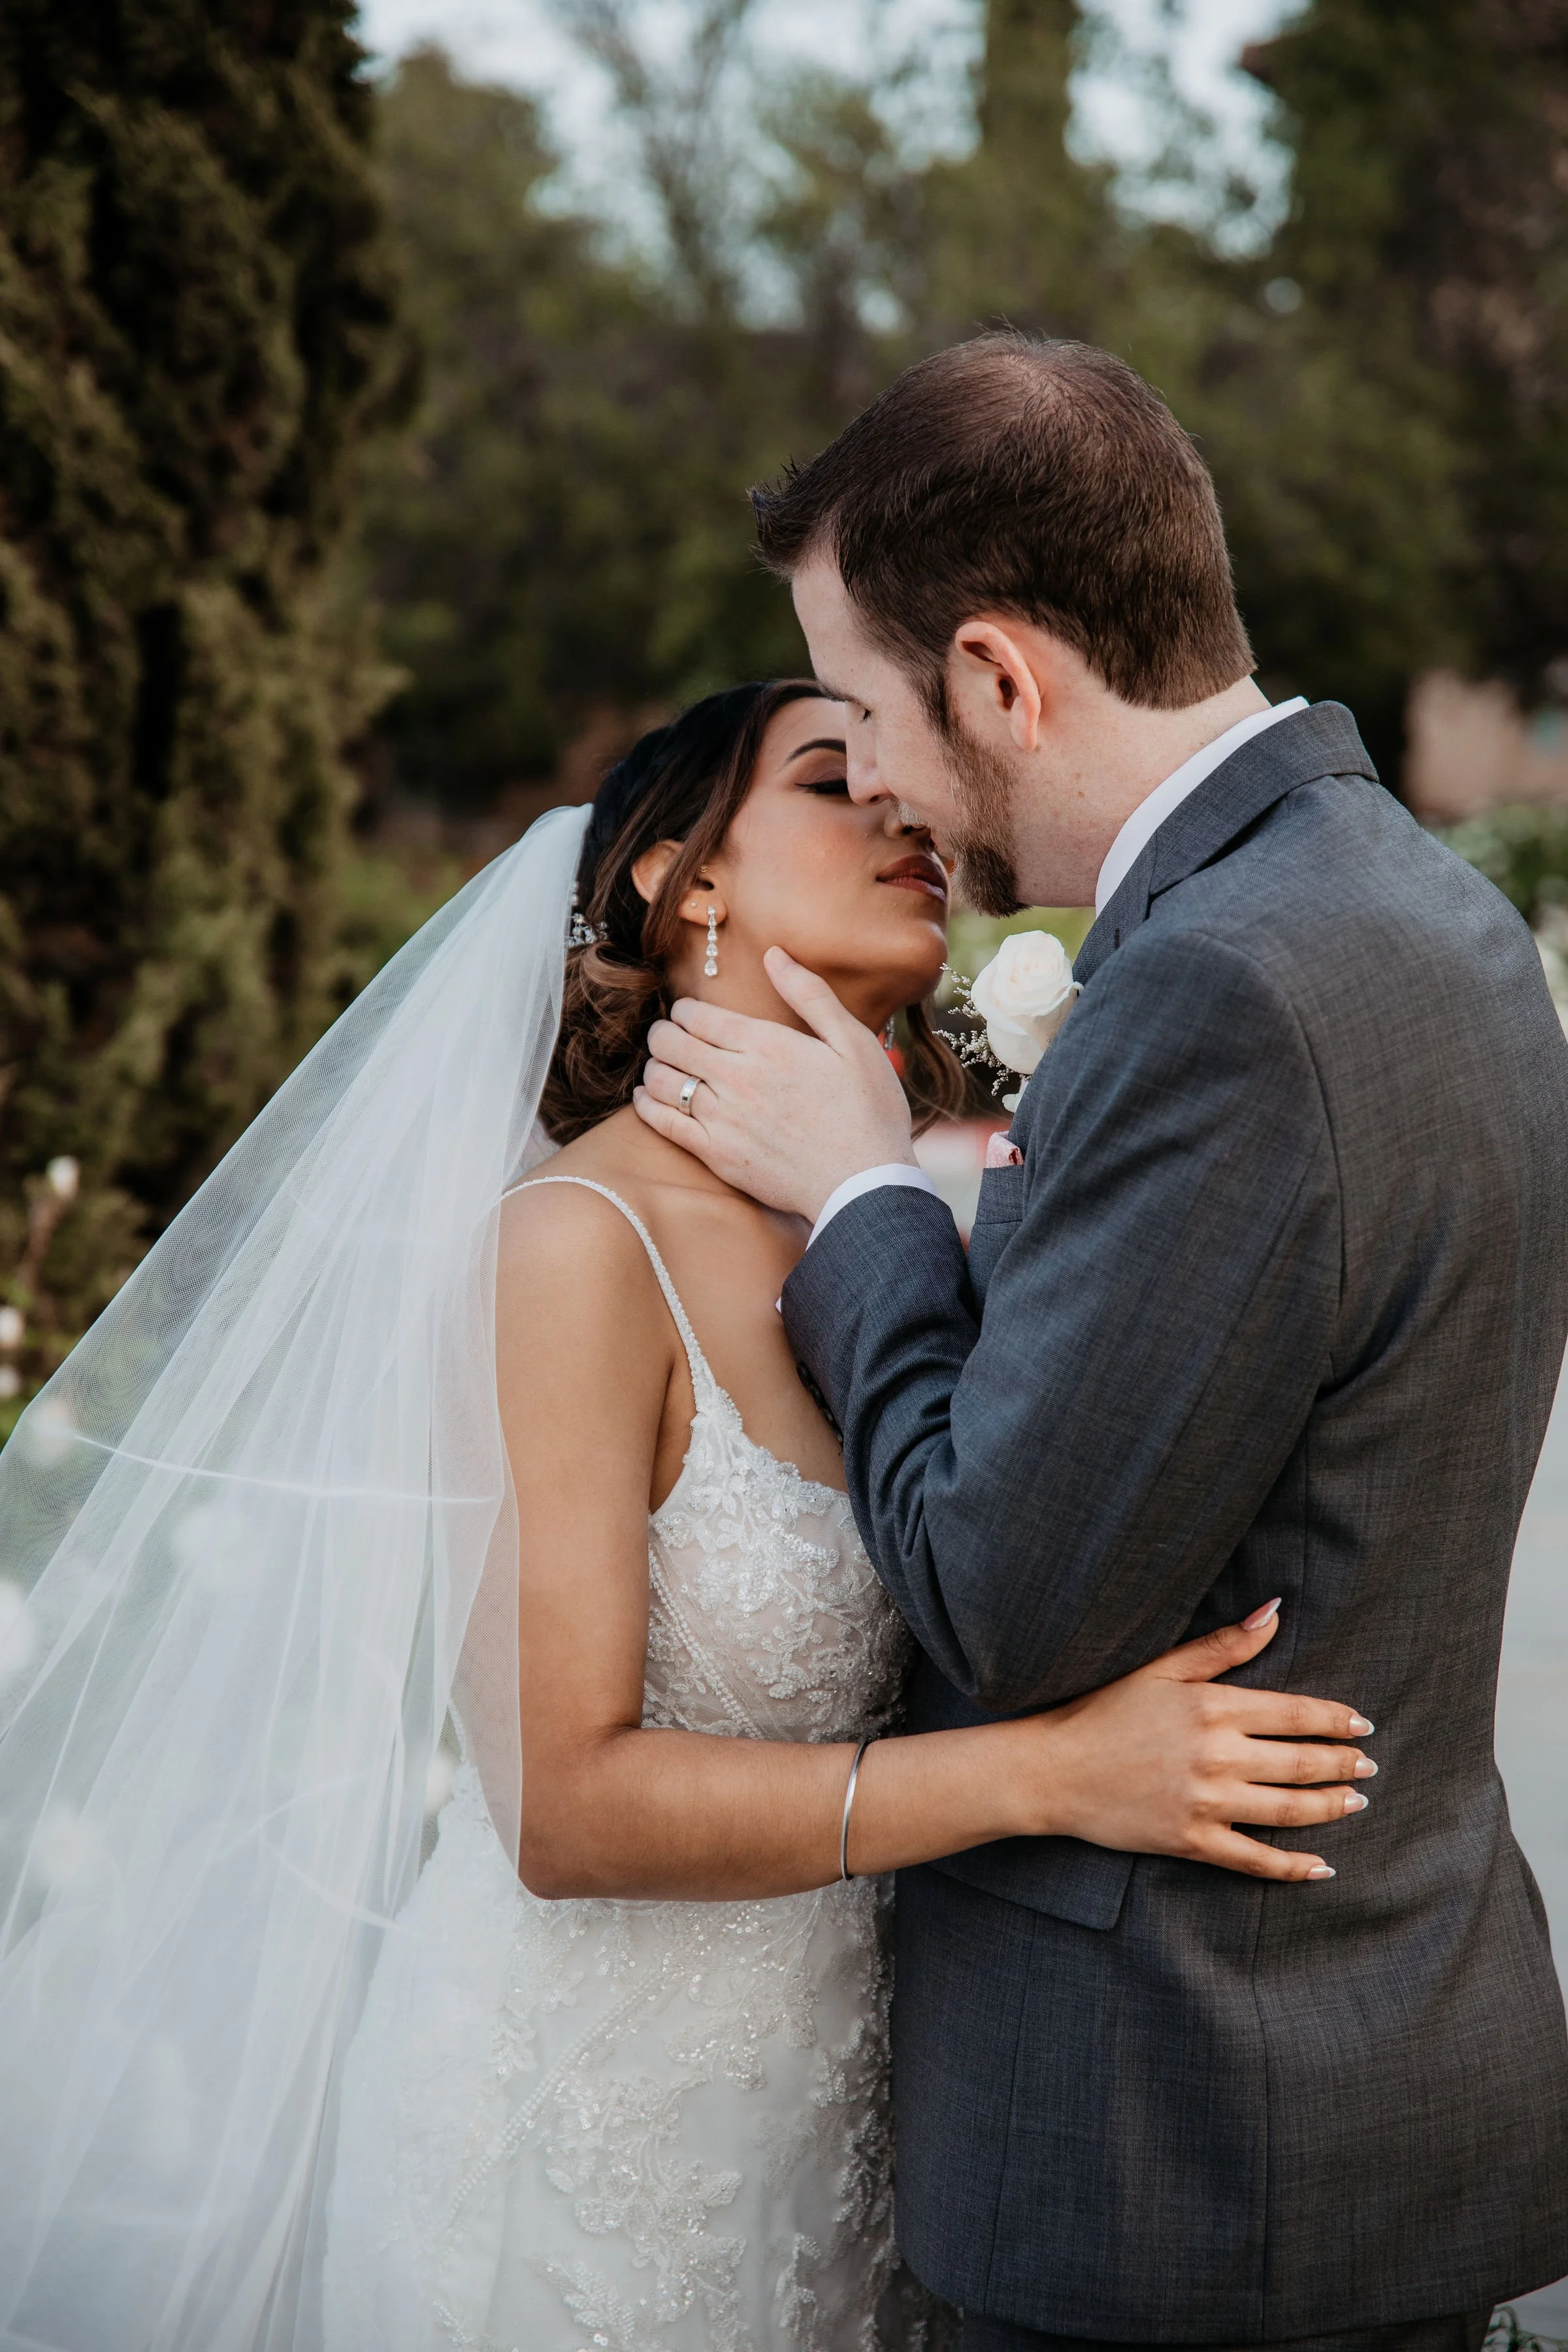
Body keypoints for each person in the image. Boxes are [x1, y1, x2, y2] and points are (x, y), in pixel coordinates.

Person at [0, 678, 1369, 2352]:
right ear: (678, 880)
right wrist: (1058, 1775)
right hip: (583, 2141)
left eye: (893, 777)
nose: (898, 811)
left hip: (859, 2127)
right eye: (826, 776)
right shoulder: (576, 1246)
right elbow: (561, 1808)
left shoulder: (908, 1230)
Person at [638, 335, 1568, 2352]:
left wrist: (873, 1200)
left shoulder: (1224, 990)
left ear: (997, 677)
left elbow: (1006, 1587)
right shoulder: (1428, 913)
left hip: (1170, 2158)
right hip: (1350, 2082)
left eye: (868, 714)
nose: (871, 777)